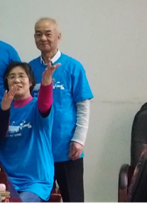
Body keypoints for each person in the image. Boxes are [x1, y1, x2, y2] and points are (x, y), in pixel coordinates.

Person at [28, 18, 93, 203]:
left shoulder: (73, 67)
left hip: (67, 149)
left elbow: (83, 107)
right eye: (38, 34)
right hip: (39, 149)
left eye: (48, 34)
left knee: (74, 199)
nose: (43, 38)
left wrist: (79, 140)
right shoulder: (30, 69)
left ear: (58, 36)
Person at [0, 61, 59, 203]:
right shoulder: (2, 109)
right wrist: (4, 110)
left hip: (36, 182)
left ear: (30, 82)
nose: (16, 80)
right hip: (7, 180)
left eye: (21, 76)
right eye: (12, 76)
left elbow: (45, 104)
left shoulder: (36, 107)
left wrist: (46, 82)